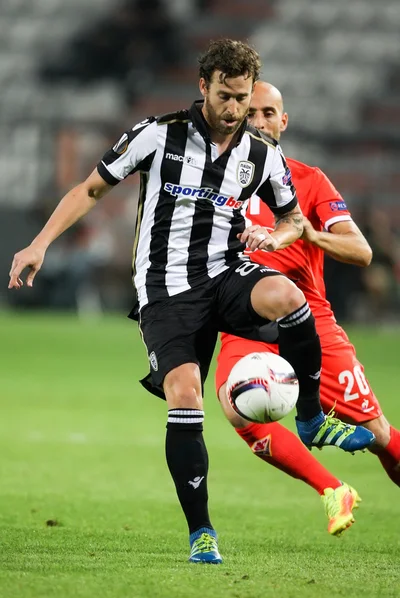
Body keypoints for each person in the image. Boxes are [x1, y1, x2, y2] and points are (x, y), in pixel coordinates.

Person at [8, 41, 375, 564]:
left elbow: (293, 216)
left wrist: (277, 238)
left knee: (287, 295)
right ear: (203, 87)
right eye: (224, 96)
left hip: (225, 273)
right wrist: (40, 243)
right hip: (164, 289)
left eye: (242, 100)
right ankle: (201, 531)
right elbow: (91, 189)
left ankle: (312, 417)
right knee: (186, 397)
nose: (233, 110)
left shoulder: (259, 154)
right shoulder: (158, 135)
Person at [216, 81, 400, 534]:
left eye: (267, 113)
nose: (257, 122)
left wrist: (307, 232)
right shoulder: (213, 180)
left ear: (283, 121)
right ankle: (333, 489)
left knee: (377, 434)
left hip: (310, 320)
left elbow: (362, 252)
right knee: (238, 407)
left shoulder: (309, 180)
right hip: (243, 319)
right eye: (249, 113)